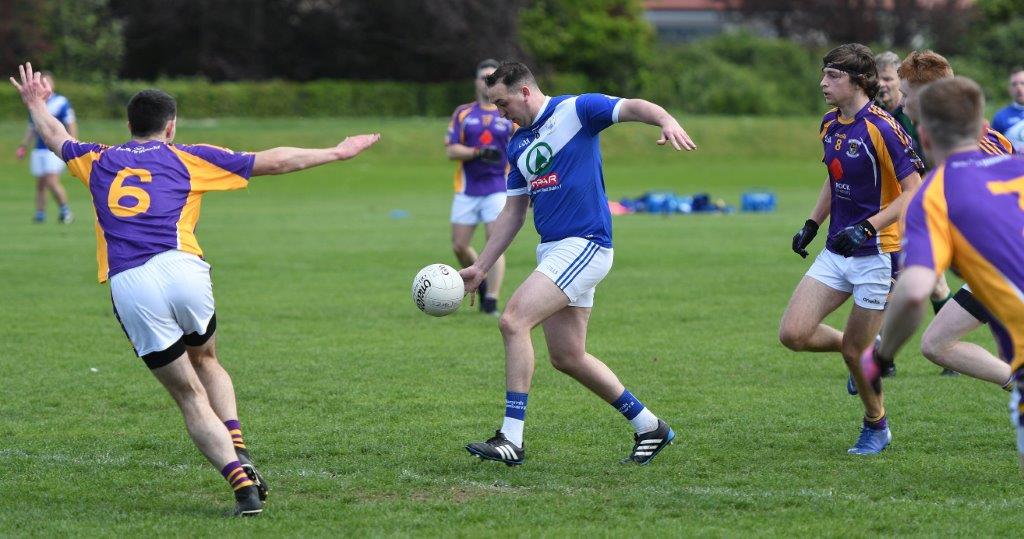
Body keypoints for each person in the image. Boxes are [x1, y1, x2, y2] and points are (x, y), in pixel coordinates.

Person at [9, 62, 380, 516]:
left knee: (187, 393)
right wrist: (338, 151)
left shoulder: (97, 158)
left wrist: (35, 103)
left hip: (131, 282)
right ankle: (237, 441)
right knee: (207, 359)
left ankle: (241, 484)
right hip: (185, 269)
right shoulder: (188, 156)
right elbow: (275, 160)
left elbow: (53, 137)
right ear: (171, 126)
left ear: (129, 126)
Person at [458, 60, 696, 466]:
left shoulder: (577, 109)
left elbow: (632, 106)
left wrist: (665, 119)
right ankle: (649, 426)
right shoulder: (517, 144)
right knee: (567, 356)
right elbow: (513, 213)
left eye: (503, 104)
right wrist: (481, 266)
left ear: (525, 92)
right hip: (553, 249)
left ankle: (511, 439)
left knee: (513, 320)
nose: (500, 113)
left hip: (585, 243)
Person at [863, 76, 1024, 470]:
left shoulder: (933, 195)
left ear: (924, 137)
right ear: (983, 125)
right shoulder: (1018, 164)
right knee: (939, 341)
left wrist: (882, 355)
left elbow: (916, 290)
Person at [781, 44, 923, 455]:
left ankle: (876, 424)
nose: (824, 83)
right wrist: (812, 223)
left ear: (859, 82)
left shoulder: (883, 127)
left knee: (853, 355)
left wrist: (866, 228)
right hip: (838, 248)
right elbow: (834, 176)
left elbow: (913, 191)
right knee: (793, 334)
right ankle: (864, 347)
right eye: (824, 74)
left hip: (880, 253)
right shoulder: (829, 123)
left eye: (833, 76)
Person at [898, 50, 1015, 386]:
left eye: (906, 94)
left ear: (928, 97)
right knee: (938, 344)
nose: (903, 102)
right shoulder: (964, 138)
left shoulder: (972, 147)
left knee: (938, 344)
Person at [445, 59, 514, 315]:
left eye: (491, 77)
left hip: (498, 186)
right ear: (476, 81)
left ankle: (491, 301)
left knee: (493, 241)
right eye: (482, 77)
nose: (486, 81)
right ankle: (480, 277)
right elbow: (451, 150)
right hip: (467, 188)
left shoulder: (507, 113)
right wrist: (478, 152)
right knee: (459, 246)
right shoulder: (463, 113)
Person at [15, 70, 76, 224]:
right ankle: (40, 214)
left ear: (52, 84)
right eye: (41, 81)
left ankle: (65, 211)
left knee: (52, 181)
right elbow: (32, 128)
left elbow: (70, 123)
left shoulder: (61, 101)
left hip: (54, 150)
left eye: (47, 81)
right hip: (39, 149)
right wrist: (23, 146)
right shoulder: (35, 103)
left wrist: (73, 145)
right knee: (41, 184)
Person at [991, 67, 1024, 152]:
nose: (1019, 88)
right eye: (1014, 84)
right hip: (1014, 164)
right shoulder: (1000, 117)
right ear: (1010, 89)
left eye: (1022, 83)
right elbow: (995, 150)